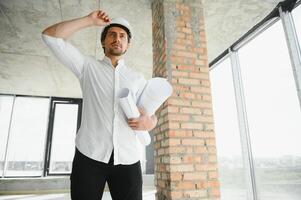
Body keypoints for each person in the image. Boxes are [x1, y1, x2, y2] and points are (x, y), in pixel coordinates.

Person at [42, 10, 157, 200]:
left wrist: (150, 123)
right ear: (103, 41)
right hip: (89, 156)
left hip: (128, 158)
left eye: (122, 36)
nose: (117, 39)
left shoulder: (138, 79)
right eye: (112, 34)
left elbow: (151, 114)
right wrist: (88, 20)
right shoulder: (86, 67)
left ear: (128, 45)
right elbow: (49, 37)